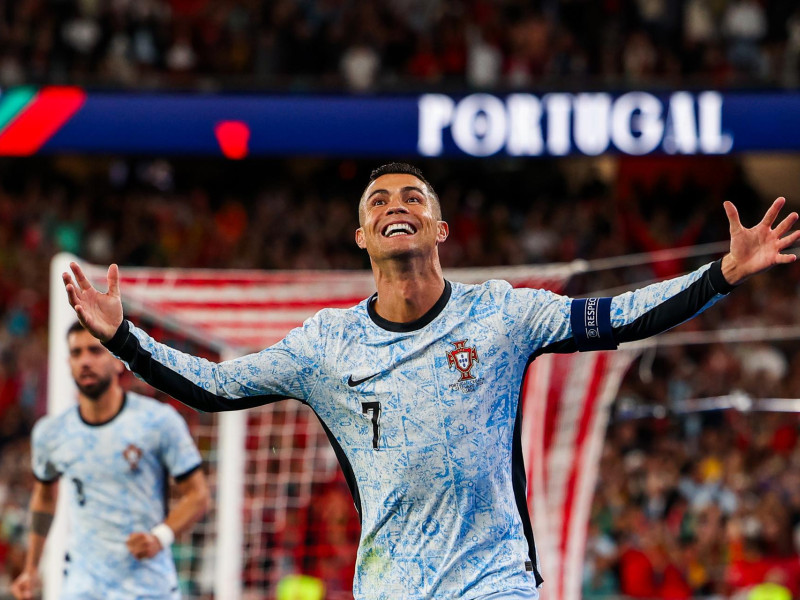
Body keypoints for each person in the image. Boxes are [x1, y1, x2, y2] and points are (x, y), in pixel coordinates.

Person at [62, 163, 799, 600]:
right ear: (361, 237)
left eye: (413, 198)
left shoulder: (502, 314)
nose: (396, 208)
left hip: (496, 580)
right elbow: (214, 388)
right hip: (393, 586)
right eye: (379, 202)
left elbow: (613, 318)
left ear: (440, 229)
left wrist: (722, 275)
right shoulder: (326, 344)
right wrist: (122, 336)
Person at [11, 322, 210, 600]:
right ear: (68, 362)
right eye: (77, 353)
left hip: (148, 587)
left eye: (95, 350)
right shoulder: (51, 433)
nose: (85, 361)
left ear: (119, 362)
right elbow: (44, 497)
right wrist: (31, 568)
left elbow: (198, 495)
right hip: (82, 588)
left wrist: (160, 536)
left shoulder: (158, 422)